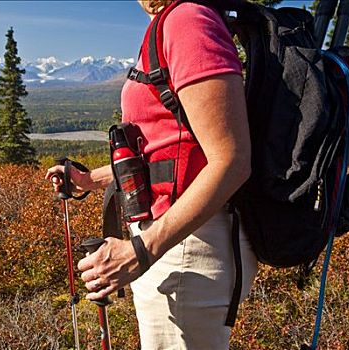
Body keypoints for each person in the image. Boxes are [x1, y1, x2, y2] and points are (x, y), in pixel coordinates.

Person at [45, 0, 257, 348]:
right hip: (176, 241)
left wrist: (140, 251)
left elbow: (232, 161)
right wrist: (90, 180)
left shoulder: (188, 21)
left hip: (188, 248)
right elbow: (172, 152)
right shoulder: (174, 22)